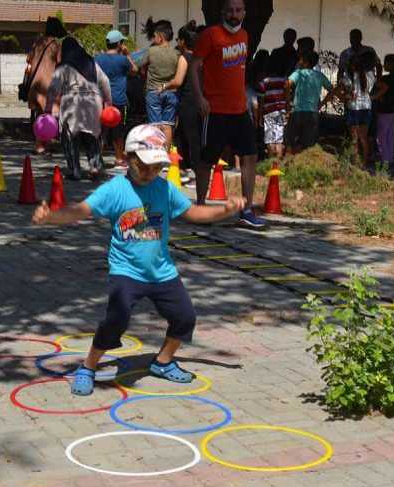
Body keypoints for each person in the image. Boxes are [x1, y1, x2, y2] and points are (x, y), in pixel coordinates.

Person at [30, 125, 244, 396]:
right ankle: (88, 366)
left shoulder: (164, 189)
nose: (150, 173)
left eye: (156, 167)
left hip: (161, 271)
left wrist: (224, 211)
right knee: (116, 319)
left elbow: (193, 213)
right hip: (126, 271)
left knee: (185, 317)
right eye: (144, 166)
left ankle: (162, 362)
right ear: (128, 158)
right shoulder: (115, 190)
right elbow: (81, 211)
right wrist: (52, 217)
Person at [190, 0, 265, 228]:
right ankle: (201, 207)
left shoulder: (244, 35)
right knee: (207, 160)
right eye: (230, 10)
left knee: (250, 156)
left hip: (240, 109)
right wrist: (199, 97)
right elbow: (195, 66)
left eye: (238, 10)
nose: (234, 14)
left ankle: (246, 210)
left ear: (244, 12)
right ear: (223, 12)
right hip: (215, 110)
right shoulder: (210, 35)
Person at [48, 37, 112, 181]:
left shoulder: (63, 66)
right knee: (92, 137)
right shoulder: (91, 63)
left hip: (72, 102)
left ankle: (75, 170)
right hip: (93, 102)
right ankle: (95, 167)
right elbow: (105, 82)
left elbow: (53, 89)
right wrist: (108, 103)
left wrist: (48, 108)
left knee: (70, 137)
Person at [140, 19, 188, 144]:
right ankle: (166, 153)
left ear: (160, 36)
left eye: (155, 36)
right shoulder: (177, 53)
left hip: (153, 92)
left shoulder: (151, 51)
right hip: (172, 92)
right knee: (168, 125)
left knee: (155, 125)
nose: (153, 39)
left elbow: (141, 67)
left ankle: (157, 152)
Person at [95, 30, 138, 169]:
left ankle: (97, 158)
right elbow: (135, 70)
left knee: (101, 131)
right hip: (119, 100)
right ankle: (119, 159)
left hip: (101, 100)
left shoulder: (98, 59)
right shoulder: (122, 60)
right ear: (119, 43)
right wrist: (127, 54)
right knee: (118, 132)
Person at [23, 17, 66, 155]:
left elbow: (28, 59)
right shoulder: (56, 46)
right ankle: (40, 146)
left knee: (40, 115)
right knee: (46, 115)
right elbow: (60, 63)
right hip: (47, 85)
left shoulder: (38, 43)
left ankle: (44, 143)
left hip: (35, 84)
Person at [285, 50, 335, 153]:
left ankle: (290, 161)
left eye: (301, 59)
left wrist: (288, 102)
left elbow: (287, 85)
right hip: (312, 113)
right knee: (308, 145)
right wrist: (322, 103)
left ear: (305, 62)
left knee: (290, 142)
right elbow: (332, 90)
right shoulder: (319, 75)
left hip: (297, 112)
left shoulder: (298, 73)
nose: (299, 61)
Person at [175, 22, 204, 183]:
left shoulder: (184, 58)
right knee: (192, 137)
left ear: (183, 42)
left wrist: (164, 86)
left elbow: (178, 81)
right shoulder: (201, 58)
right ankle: (190, 170)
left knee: (187, 138)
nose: (177, 43)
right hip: (200, 100)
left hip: (187, 101)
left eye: (178, 40)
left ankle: (191, 171)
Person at [341, 51, 376, 166]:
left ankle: (355, 163)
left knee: (354, 139)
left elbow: (346, 90)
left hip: (353, 108)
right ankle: (364, 163)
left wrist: (346, 96)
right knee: (363, 138)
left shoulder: (349, 76)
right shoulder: (370, 75)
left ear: (351, 65)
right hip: (366, 107)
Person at [371, 53, 394, 169]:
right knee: (390, 136)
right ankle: (389, 159)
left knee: (381, 136)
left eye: (385, 62)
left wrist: (373, 97)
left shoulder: (386, 79)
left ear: (391, 64)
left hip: (384, 109)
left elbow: (378, 86)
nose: (384, 65)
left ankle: (384, 160)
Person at [256, 55, 288, 158]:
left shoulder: (264, 82)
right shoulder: (284, 81)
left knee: (270, 140)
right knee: (279, 140)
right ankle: (277, 163)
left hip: (269, 112)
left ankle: (271, 163)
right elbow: (287, 96)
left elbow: (261, 101)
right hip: (281, 111)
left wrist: (260, 117)